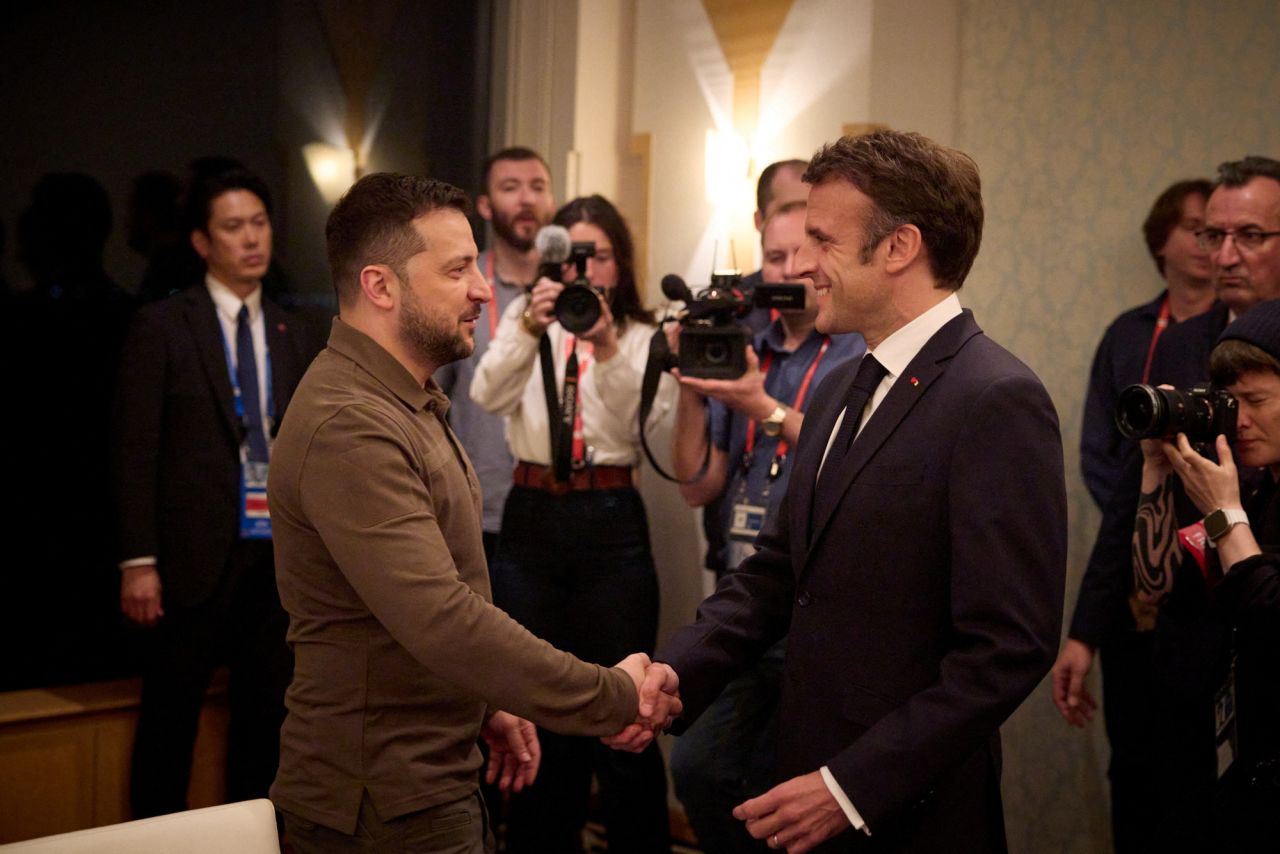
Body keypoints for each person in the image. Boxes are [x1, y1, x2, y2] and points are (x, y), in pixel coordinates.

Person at [617, 130, 1067, 853]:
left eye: (823, 240)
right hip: (806, 781)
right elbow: (777, 571)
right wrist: (677, 668)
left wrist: (851, 786)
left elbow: (1007, 648)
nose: (804, 265)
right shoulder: (836, 388)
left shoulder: (996, 399)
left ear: (899, 247)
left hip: (907, 811)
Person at [267, 173, 679, 852]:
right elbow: (442, 619)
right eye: (458, 270)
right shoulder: (352, 422)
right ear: (381, 286)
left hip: (427, 776)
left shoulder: (404, 399)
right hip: (380, 797)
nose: (485, 291)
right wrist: (612, 695)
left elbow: (419, 604)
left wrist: (485, 701)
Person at [1051, 154, 1280, 852]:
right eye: (1213, 236)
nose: (1225, 256)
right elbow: (1130, 490)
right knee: (1156, 806)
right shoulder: (1182, 342)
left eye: (1249, 236)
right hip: (1180, 622)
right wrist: (1087, 628)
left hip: (1269, 632)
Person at [471, 194, 674, 853]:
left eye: (601, 256)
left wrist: (609, 344)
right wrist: (529, 326)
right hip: (530, 521)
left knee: (626, 709)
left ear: (621, 264)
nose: (587, 269)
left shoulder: (646, 335)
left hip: (610, 519)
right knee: (537, 707)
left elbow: (637, 428)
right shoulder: (529, 320)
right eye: (575, 256)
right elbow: (485, 394)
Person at [112, 167, 313, 817]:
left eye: (259, 223)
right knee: (170, 723)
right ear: (202, 242)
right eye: (233, 227)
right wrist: (138, 559)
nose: (251, 239)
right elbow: (135, 449)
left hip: (274, 556)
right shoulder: (165, 324)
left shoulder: (292, 329)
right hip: (190, 555)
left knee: (264, 723)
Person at [667, 200, 865, 851]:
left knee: (782, 785)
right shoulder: (749, 347)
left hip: (821, 605)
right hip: (746, 595)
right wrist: (693, 386)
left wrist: (764, 407)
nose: (789, 272)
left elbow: (858, 460)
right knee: (697, 767)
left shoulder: (859, 350)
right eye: (774, 259)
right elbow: (698, 483)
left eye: (803, 259)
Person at [1050, 178, 1213, 852]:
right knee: (1139, 770)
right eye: (1200, 230)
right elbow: (1104, 458)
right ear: (1161, 241)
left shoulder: (1227, 340)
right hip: (1137, 576)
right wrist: (1150, 513)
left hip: (1217, 585)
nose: (1214, 248)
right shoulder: (1137, 336)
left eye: (1232, 234)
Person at [1131, 301, 1280, 852]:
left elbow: (1269, 615)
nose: (1238, 420)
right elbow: (1153, 588)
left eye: (1258, 402)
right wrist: (1154, 471)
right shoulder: (1256, 488)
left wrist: (1223, 514)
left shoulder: (1235, 500)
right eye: (1230, 403)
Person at [436, 147, 556, 565]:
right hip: (478, 511)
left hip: (558, 509)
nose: (526, 199)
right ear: (485, 206)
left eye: (537, 187)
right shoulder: (464, 288)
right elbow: (432, 401)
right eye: (511, 188)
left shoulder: (573, 295)